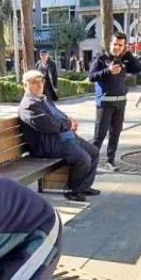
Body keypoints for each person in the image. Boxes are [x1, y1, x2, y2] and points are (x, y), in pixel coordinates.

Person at [18, 69, 100, 202]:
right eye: (34, 83)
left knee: (94, 152)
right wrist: (68, 124)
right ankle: (73, 190)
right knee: (83, 158)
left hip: (63, 137)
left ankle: (84, 186)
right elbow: (49, 126)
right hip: (48, 144)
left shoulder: (43, 100)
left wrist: (69, 121)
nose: (39, 86)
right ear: (25, 85)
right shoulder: (29, 106)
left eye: (41, 82)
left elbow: (58, 115)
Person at [89, 32, 141, 168]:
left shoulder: (125, 59)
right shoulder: (100, 59)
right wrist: (108, 71)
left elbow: (138, 68)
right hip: (105, 104)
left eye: (120, 45)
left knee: (115, 134)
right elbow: (91, 76)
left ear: (124, 46)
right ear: (110, 44)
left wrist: (128, 54)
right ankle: (89, 163)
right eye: (115, 44)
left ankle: (110, 161)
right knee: (99, 136)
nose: (117, 47)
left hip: (120, 104)